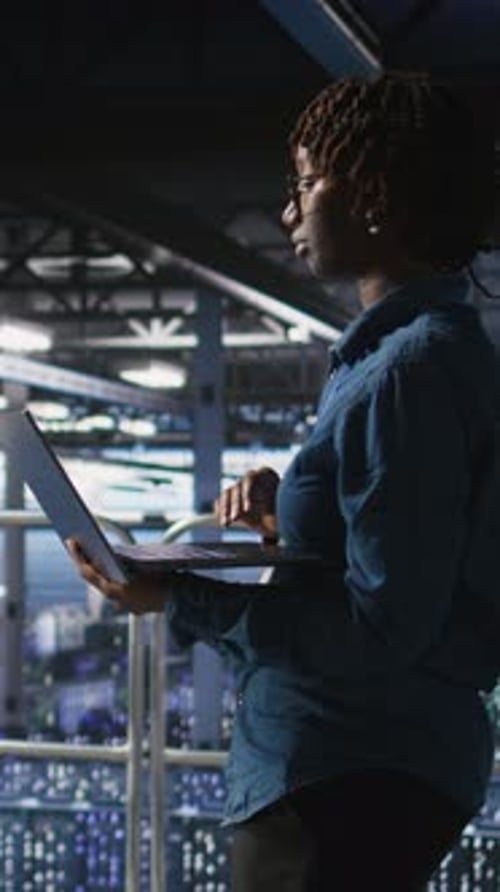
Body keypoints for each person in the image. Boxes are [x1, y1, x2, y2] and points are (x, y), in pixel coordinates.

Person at [67, 71, 500, 891]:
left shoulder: (407, 371)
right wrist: (293, 523)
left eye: (306, 182)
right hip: (368, 764)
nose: (290, 212)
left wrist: (179, 597)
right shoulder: (412, 355)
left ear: (372, 196)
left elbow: (382, 632)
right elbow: (417, 558)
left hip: (344, 771)